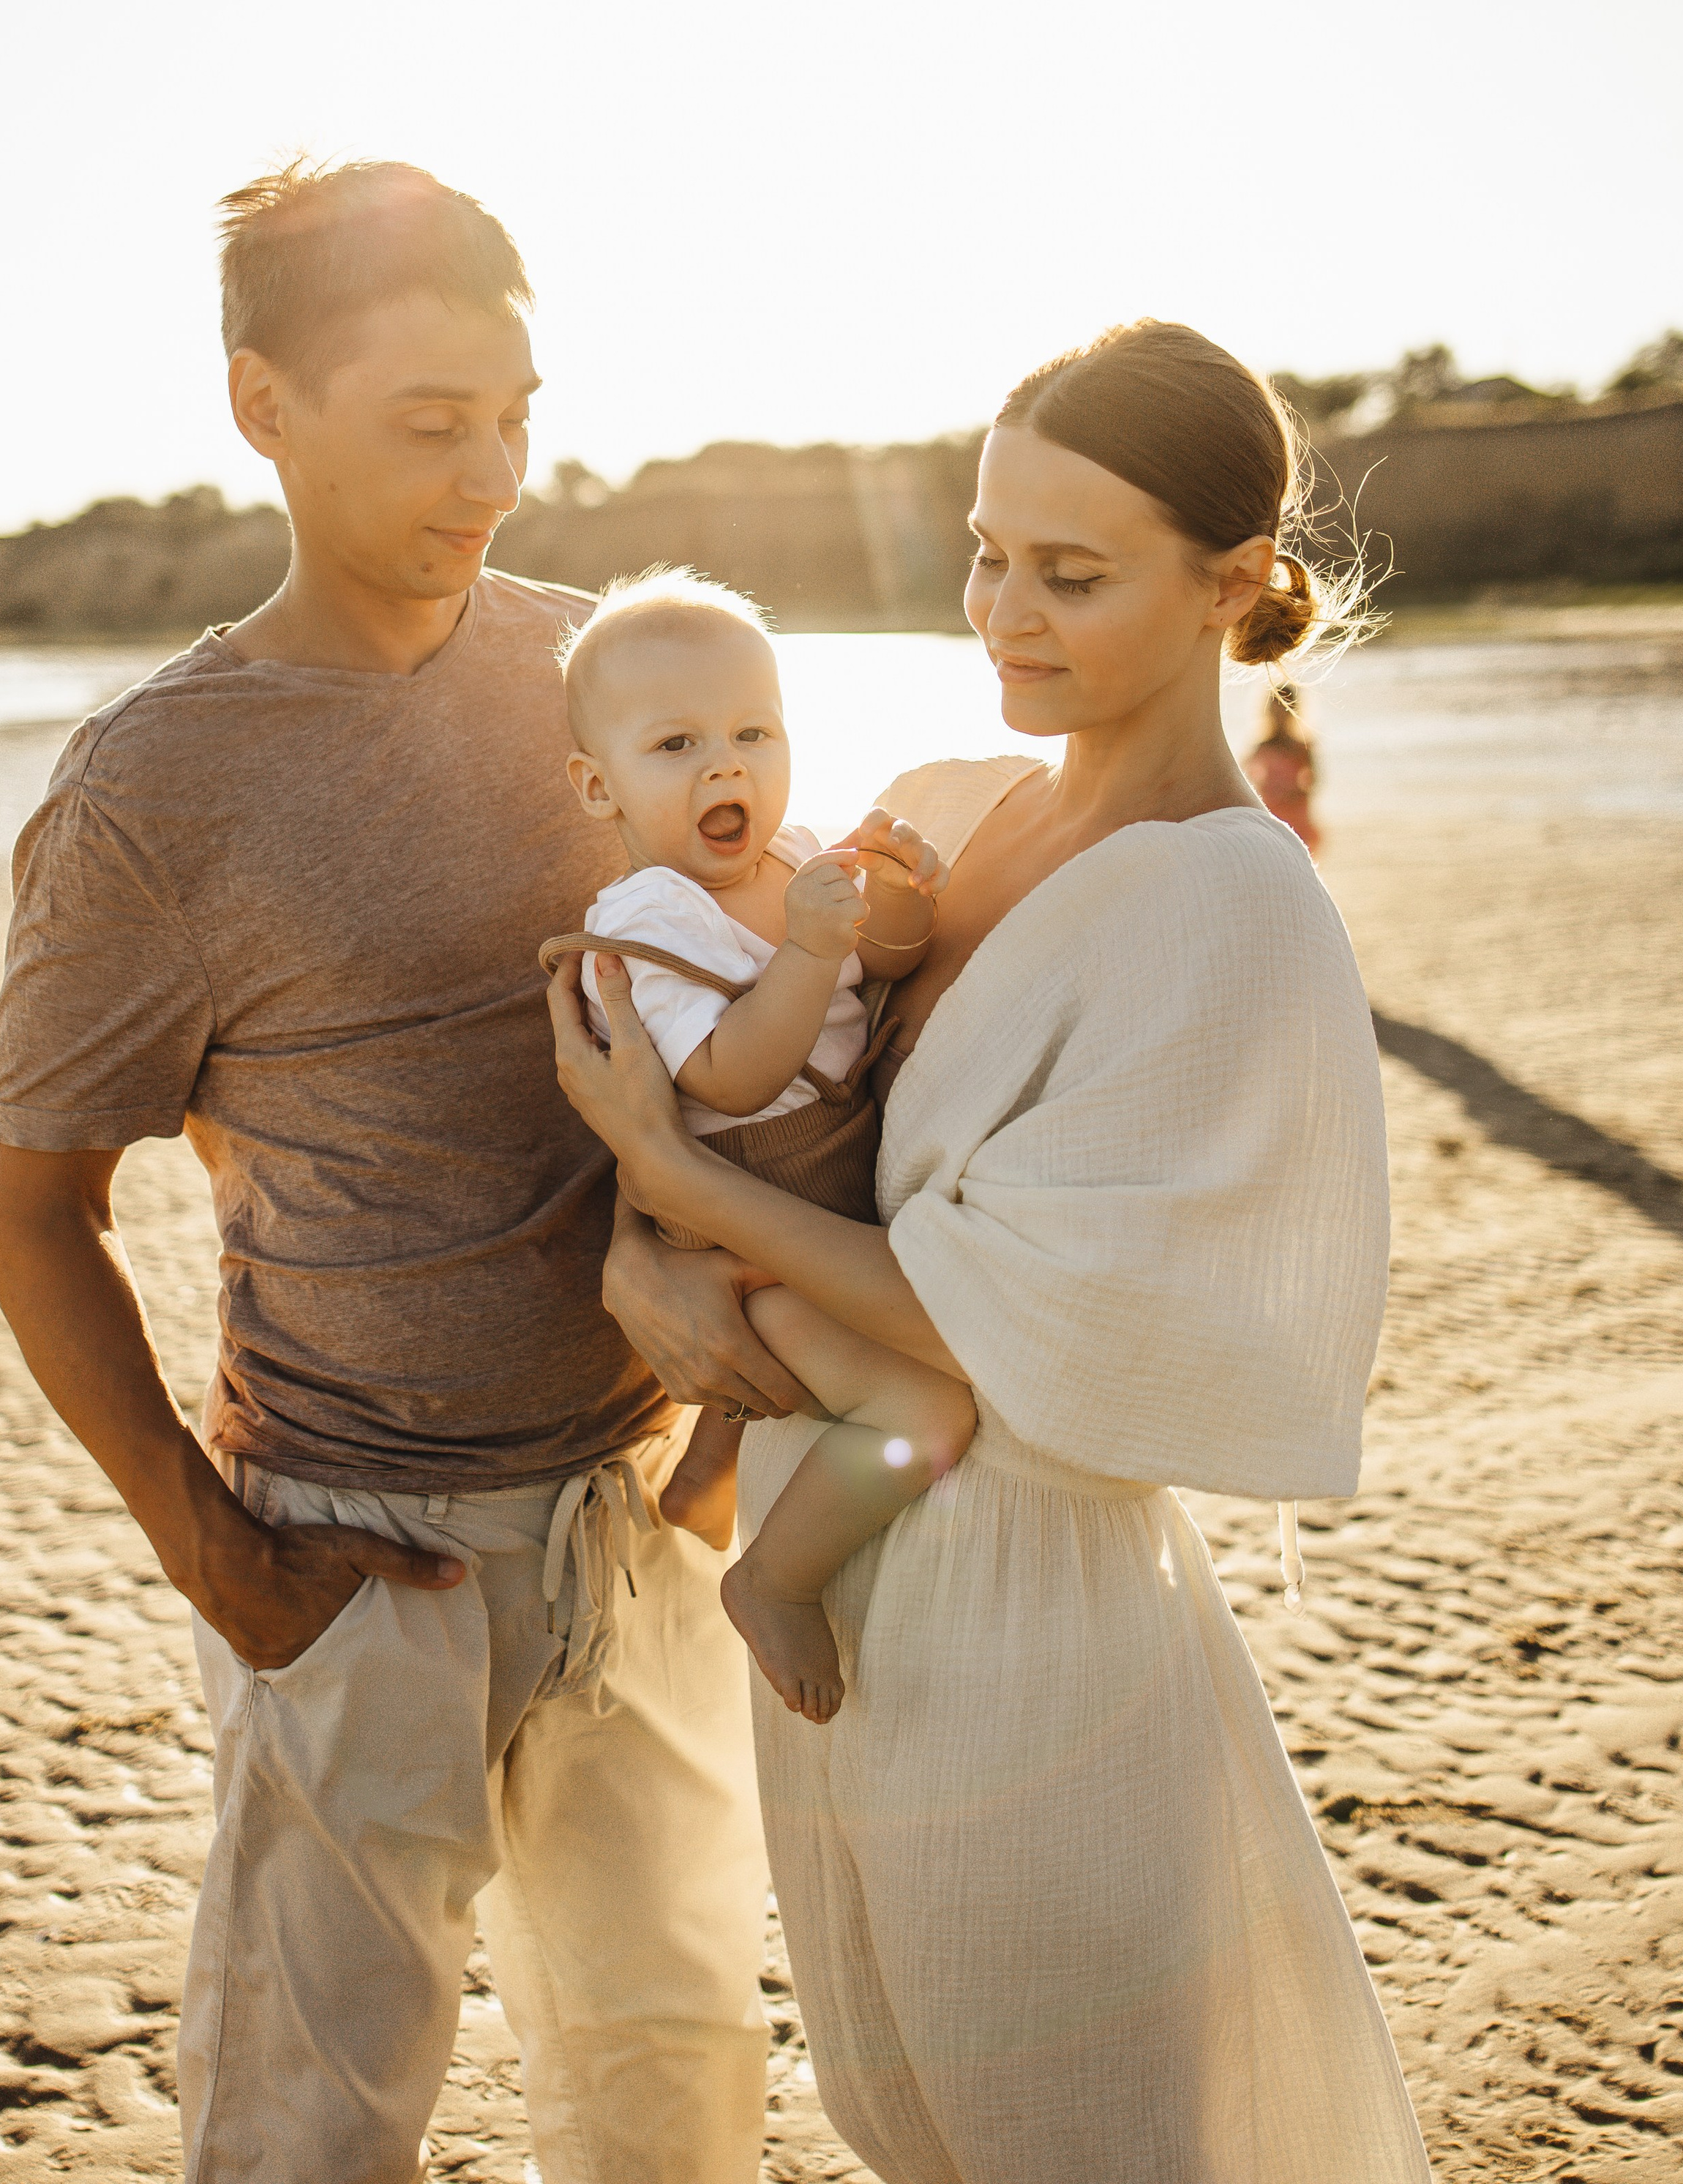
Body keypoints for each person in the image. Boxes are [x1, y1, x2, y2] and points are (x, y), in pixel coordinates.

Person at [550, 318, 1433, 2183]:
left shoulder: (1227, 904)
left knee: (1077, 2134)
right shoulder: (946, 804)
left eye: (1071, 572)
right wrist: (641, 1245)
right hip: (836, 1592)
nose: (1000, 613)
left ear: (1234, 585)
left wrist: (666, 1177)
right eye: (983, 548)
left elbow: (977, 1321)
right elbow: (763, 1097)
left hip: (1031, 1630)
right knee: (911, 2121)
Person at [0, 159, 774, 2184]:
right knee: (311, 2130)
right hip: (349, 1557)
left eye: (518, 412)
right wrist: (214, 1554)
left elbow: (763, 1045)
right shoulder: (152, 791)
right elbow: (32, 1214)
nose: (495, 470)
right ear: (263, 405)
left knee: (674, 2085)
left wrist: (741, 1425)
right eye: (434, 423)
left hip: (633, 1529)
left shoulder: (611, 682)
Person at [541, 567, 973, 1723]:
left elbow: (881, 963)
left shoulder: (793, 855)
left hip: (826, 1177)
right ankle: (774, 1582)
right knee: (927, 1413)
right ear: (600, 786)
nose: (727, 766)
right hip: (747, 1207)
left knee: (814, 1378)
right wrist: (807, 952)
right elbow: (733, 1071)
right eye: (675, 744)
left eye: (752, 732)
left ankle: (704, 1481)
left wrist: (893, 900)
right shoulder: (646, 922)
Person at [1245, 680, 1322, 851]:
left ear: (1293, 710)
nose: (1279, 712)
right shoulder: (1263, 746)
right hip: (1271, 812)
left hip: (1296, 815)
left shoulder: (1302, 746)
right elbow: (1244, 777)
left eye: (1283, 707)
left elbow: (1314, 780)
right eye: (1275, 707)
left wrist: (1292, 794)